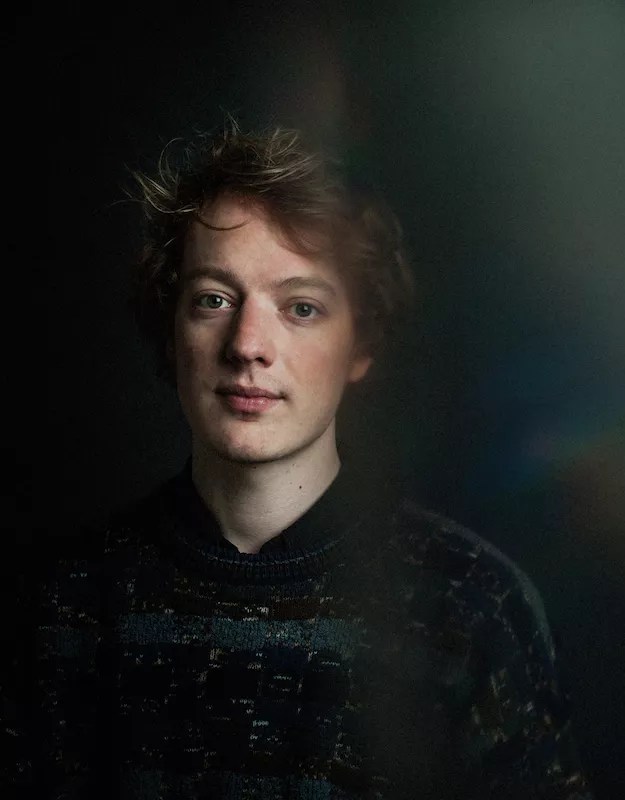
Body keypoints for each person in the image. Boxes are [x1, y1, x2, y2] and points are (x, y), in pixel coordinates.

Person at [5, 118, 592, 799]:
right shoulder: (61, 603)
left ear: (360, 345)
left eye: (301, 307)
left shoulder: (472, 606)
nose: (247, 344)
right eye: (214, 299)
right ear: (171, 331)